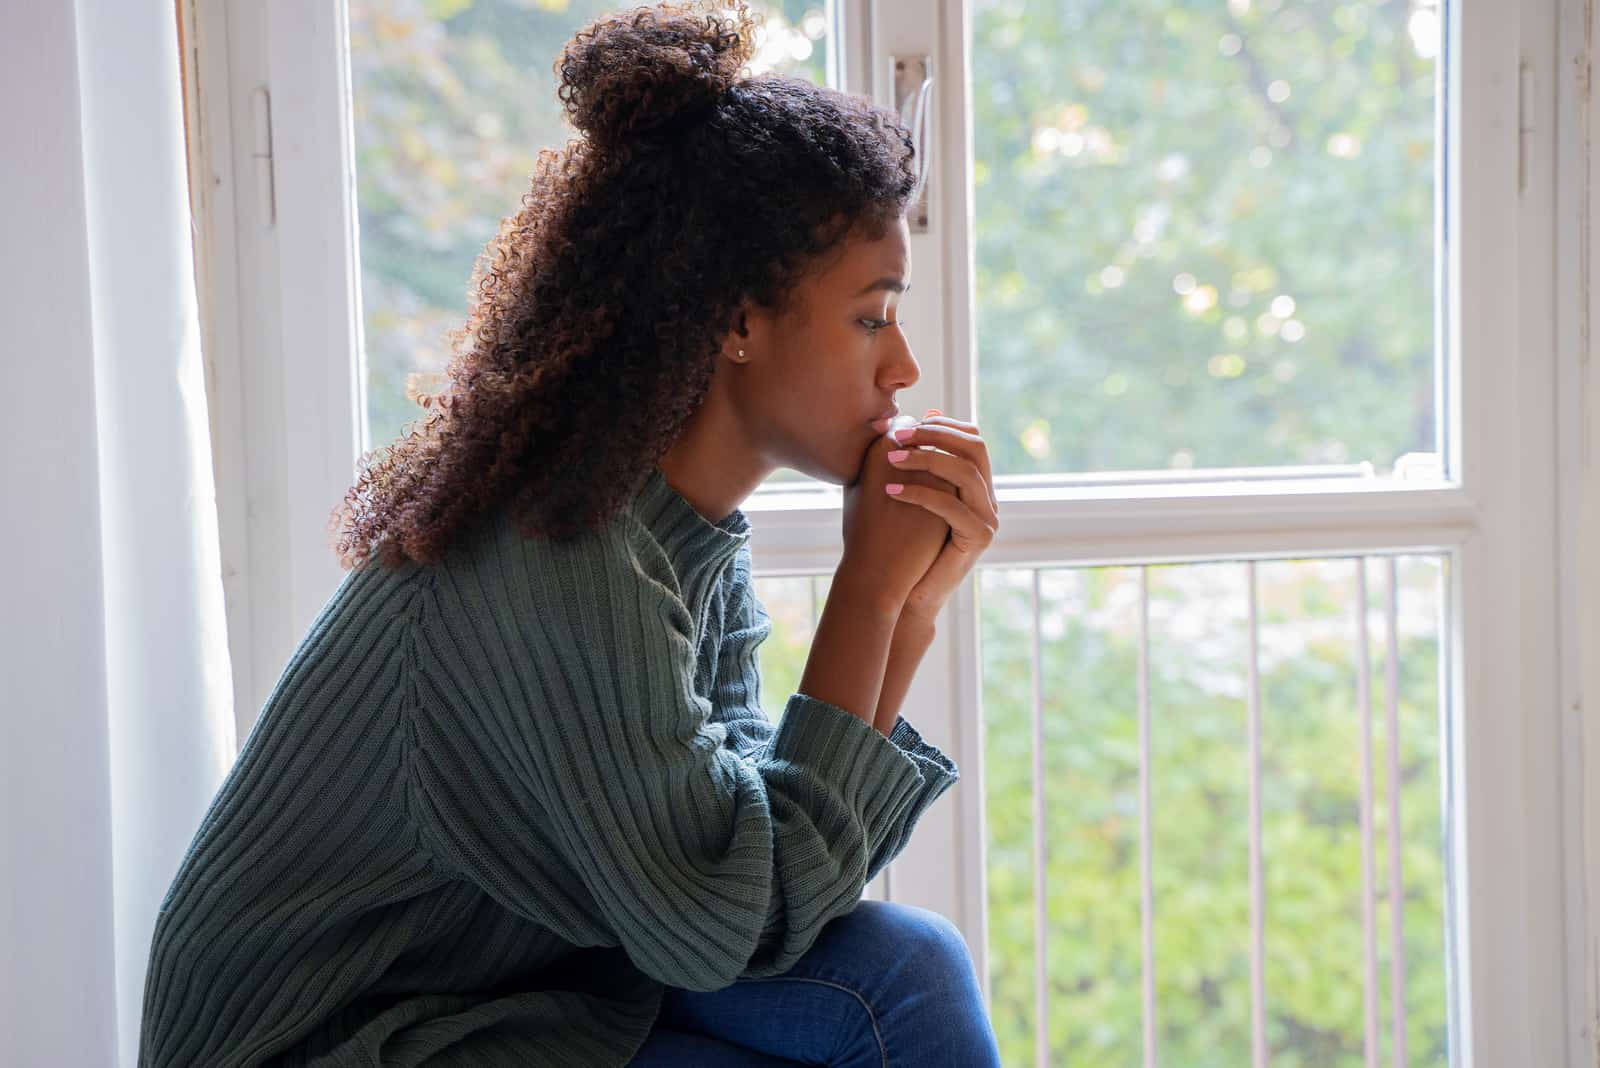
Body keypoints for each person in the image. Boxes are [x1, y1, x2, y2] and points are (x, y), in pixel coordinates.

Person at [137, 1, 1002, 1064]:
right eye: (872, 316)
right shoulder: (567, 554)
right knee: (869, 1002)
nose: (901, 366)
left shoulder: (674, 535)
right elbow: (720, 927)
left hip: (518, 997)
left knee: (902, 972)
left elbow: (757, 882)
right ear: (736, 320)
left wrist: (906, 610)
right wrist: (868, 597)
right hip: (354, 1042)